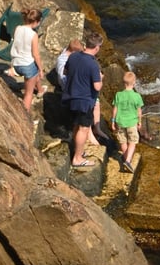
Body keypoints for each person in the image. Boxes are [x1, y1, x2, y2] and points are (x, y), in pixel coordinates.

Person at [62, 31, 104, 168]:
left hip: (70, 97)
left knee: (76, 126)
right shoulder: (93, 65)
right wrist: (101, 79)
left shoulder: (73, 56)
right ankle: (78, 158)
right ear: (97, 48)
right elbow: (97, 87)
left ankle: (78, 151)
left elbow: (65, 72)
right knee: (84, 129)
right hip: (84, 101)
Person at [9, 8, 44, 112]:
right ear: (36, 22)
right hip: (27, 66)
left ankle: (40, 90)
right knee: (28, 94)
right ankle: (25, 116)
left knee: (34, 71)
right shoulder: (34, 35)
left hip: (16, 64)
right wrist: (41, 69)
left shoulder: (17, 28)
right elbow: (36, 55)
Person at [111, 71, 144, 173]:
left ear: (123, 83)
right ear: (134, 83)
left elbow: (115, 109)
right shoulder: (137, 96)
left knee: (123, 141)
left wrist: (113, 121)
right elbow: (139, 111)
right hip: (131, 122)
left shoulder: (118, 95)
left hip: (120, 122)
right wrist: (139, 121)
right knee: (132, 141)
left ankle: (125, 158)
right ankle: (128, 161)